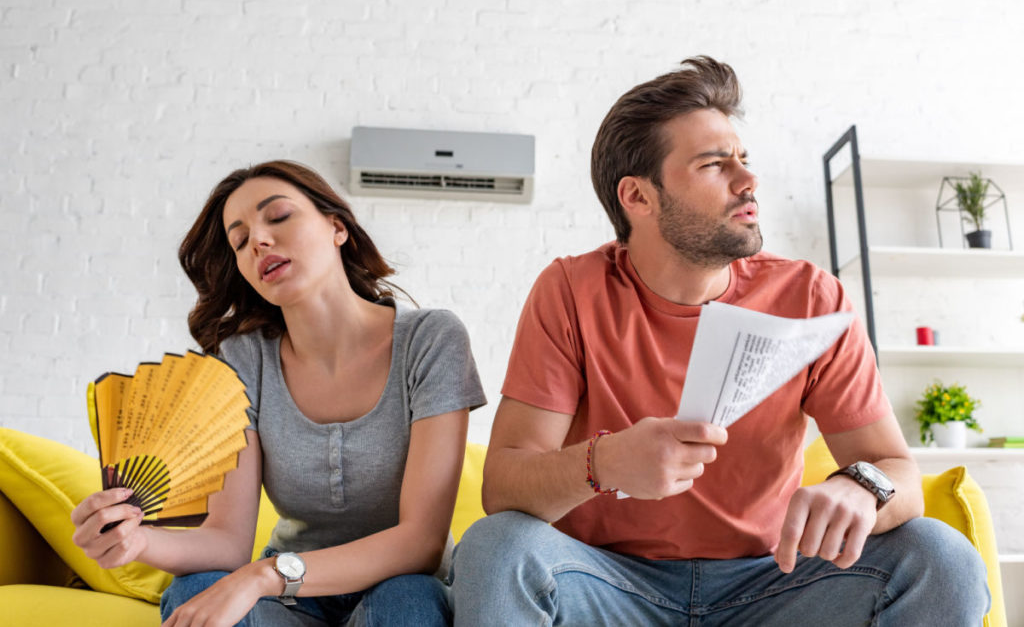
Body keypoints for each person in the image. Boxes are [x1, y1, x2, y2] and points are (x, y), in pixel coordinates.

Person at [450, 57, 989, 626]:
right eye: (713, 164)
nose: (748, 179)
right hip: (605, 583)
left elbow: (896, 471)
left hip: (772, 582)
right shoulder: (571, 290)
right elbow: (504, 487)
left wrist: (861, 488)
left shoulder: (810, 295)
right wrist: (601, 463)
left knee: (940, 556)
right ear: (638, 196)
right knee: (497, 546)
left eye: (743, 159)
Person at [72, 160, 486, 626]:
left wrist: (264, 576)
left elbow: (421, 543)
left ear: (337, 227)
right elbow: (227, 543)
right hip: (289, 604)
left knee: (407, 599)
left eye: (278, 217)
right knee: (196, 587)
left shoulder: (430, 340)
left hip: (392, 588)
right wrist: (136, 539)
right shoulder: (244, 360)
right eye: (240, 240)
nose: (259, 243)